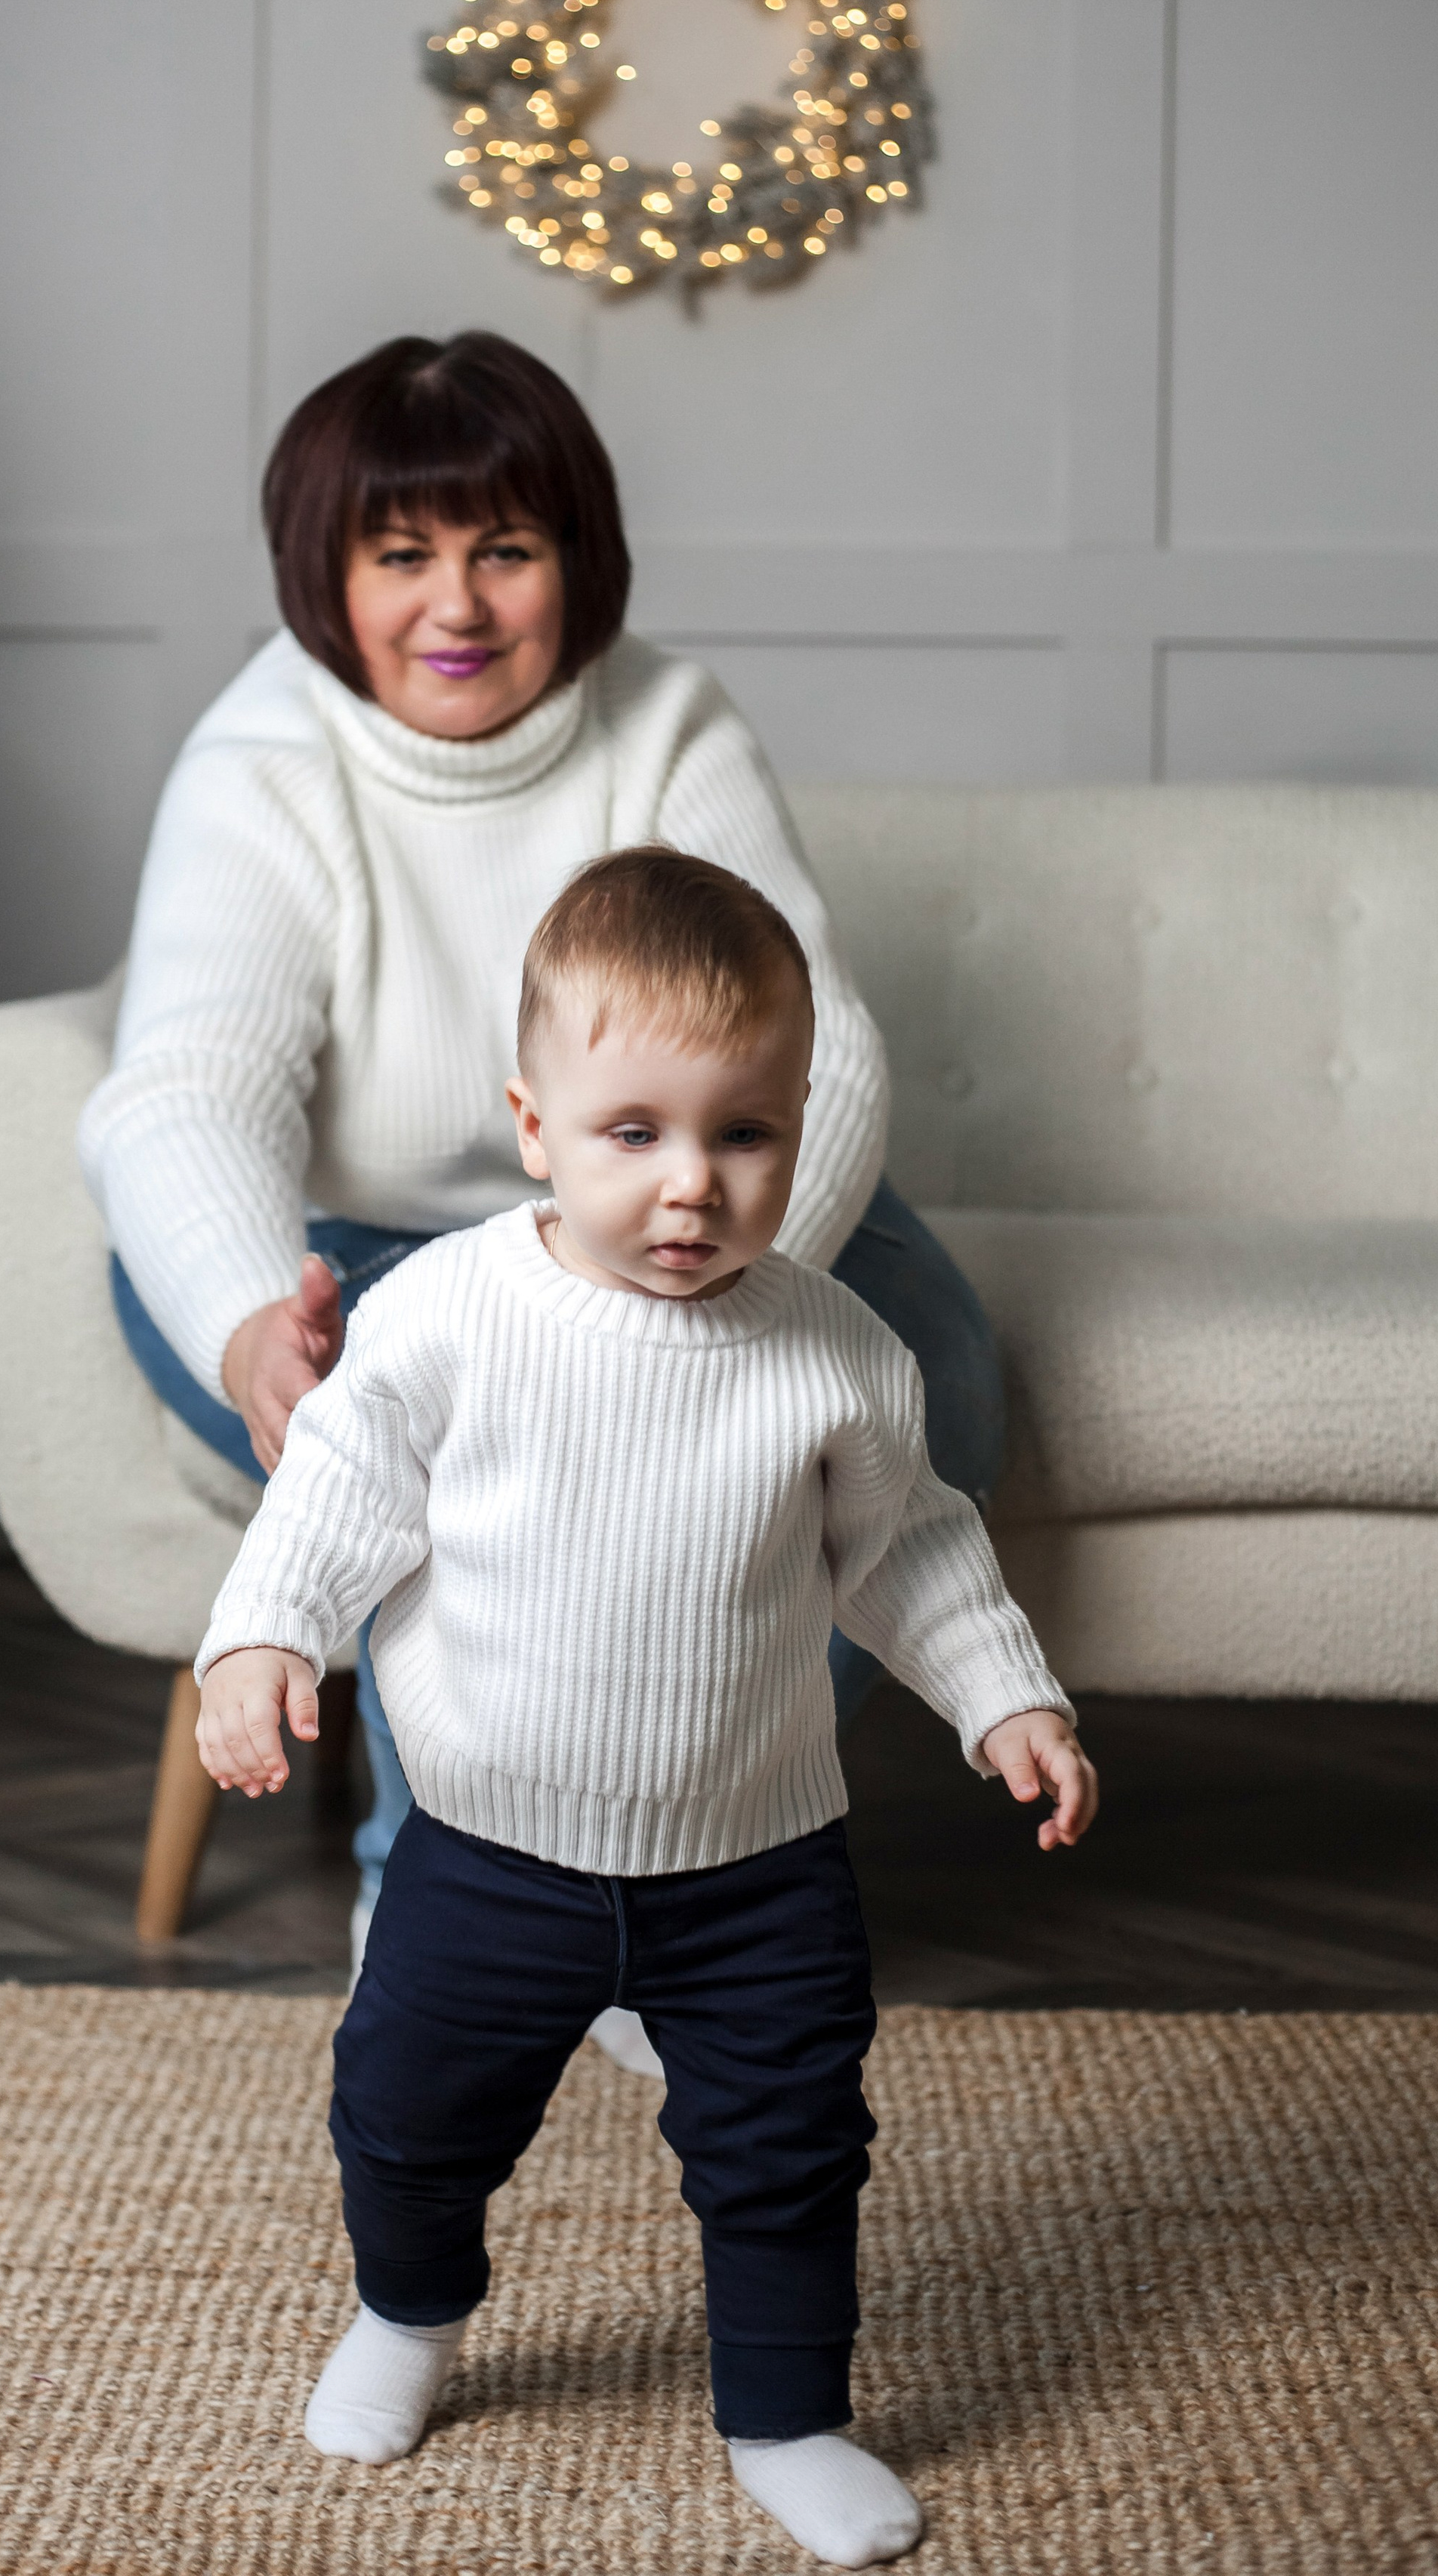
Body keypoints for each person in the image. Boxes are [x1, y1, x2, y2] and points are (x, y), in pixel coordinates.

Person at [78, 330, 1007, 2049]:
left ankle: (678, 1871)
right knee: (446, 1446)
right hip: (343, 1239)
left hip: (678, 1195)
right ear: (325, 572)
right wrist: (246, 1338)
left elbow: (832, 1047)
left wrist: (719, 1306)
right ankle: (443, 1879)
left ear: (575, 559)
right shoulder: (264, 759)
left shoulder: (668, 722)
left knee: (936, 1379)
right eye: (400, 555)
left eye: (503, 549)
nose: (458, 605)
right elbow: (181, 1095)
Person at [193, 848, 1097, 2569]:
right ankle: (407, 2313)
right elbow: (333, 1494)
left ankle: (786, 2413)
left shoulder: (833, 1355)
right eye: (634, 1134)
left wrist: (1003, 1698)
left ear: (796, 1132)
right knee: (405, 2108)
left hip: (753, 1870)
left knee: (787, 2150)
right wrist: (260, 1644)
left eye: (741, 1136)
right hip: (487, 1857)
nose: (689, 1185)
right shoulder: (449, 1315)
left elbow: (906, 1550)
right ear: (533, 1124)